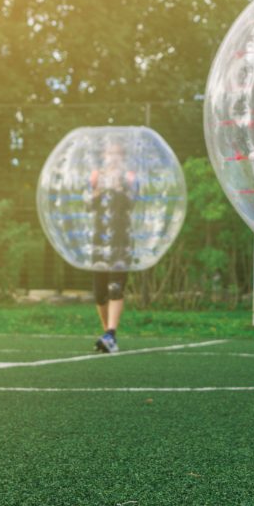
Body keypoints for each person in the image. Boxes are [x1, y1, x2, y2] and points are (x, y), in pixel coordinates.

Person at [88, 140, 139, 353]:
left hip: (121, 239)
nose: (113, 156)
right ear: (104, 155)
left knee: (115, 287)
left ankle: (111, 333)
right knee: (99, 293)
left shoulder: (129, 178)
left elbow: (133, 202)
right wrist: (97, 189)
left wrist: (122, 186)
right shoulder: (96, 177)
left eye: (117, 153)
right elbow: (88, 205)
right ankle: (108, 335)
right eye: (110, 152)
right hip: (99, 240)